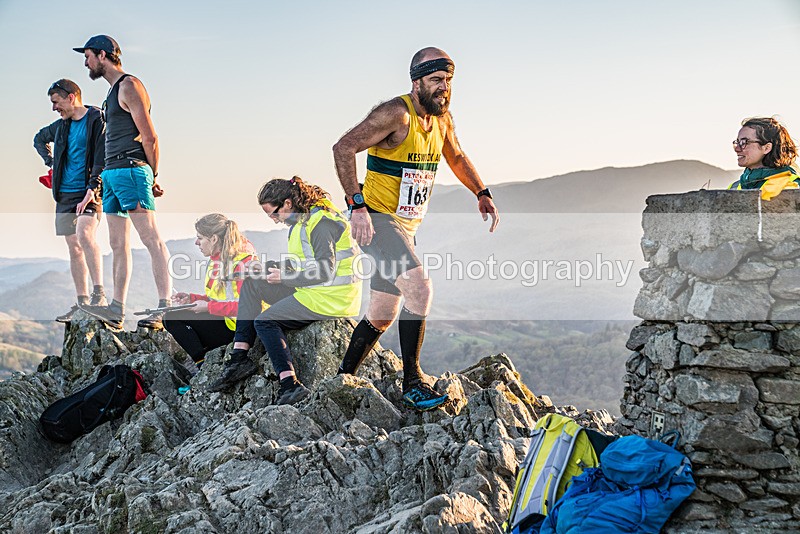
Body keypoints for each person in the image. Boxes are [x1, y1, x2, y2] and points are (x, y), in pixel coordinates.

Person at [332, 47, 499, 411]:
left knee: (382, 312)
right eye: (436, 80)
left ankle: (341, 378)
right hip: (377, 220)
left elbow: (455, 155)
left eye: (449, 81)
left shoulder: (441, 119)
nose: (444, 88)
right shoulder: (395, 114)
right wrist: (356, 205)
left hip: (405, 226)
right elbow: (343, 147)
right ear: (416, 82)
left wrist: (480, 191)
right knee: (420, 289)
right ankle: (413, 383)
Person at [209, 177, 362, 405]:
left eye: (274, 213)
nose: (273, 220)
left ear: (288, 203)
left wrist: (284, 277)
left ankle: (290, 385)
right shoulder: (302, 222)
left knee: (265, 321)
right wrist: (269, 267)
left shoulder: (321, 223)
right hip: (313, 291)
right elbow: (302, 264)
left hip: (331, 298)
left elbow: (324, 271)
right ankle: (238, 358)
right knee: (252, 283)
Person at [73, 35, 172, 329]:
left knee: (151, 238)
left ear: (102, 55)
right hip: (113, 174)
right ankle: (116, 309)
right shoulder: (112, 91)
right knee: (118, 244)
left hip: (132, 170)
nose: (86, 62)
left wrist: (152, 175)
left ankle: (165, 308)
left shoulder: (130, 85)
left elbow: (150, 136)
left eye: (88, 56)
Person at [33, 79, 106, 322]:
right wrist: (51, 161)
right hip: (64, 194)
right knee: (74, 247)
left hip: (90, 190)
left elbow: (101, 156)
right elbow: (38, 139)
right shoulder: (60, 126)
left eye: (56, 102)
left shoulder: (96, 119)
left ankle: (99, 295)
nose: (54, 108)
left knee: (85, 236)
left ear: (71, 97)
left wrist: (93, 188)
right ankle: (82, 302)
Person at [164, 214, 257, 369]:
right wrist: (192, 298)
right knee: (171, 316)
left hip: (241, 330)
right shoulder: (217, 260)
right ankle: (204, 364)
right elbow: (219, 297)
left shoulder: (243, 263)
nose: (196, 242)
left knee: (172, 318)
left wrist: (207, 308)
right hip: (226, 321)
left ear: (213, 239)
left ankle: (204, 367)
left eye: (200, 238)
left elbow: (247, 307)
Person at [728, 117, 799, 190]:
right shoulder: (734, 187)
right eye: (737, 142)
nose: (737, 149)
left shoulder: (790, 186)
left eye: (744, 142)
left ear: (767, 148)